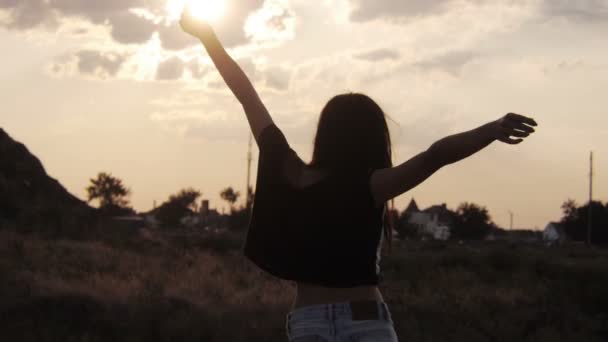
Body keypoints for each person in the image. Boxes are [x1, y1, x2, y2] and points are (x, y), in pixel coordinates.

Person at [180, 10, 538, 342]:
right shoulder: (371, 185)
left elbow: (246, 96)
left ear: (325, 133)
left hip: (308, 321)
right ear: (371, 139)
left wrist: (207, 36)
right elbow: (436, 155)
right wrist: (492, 129)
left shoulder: (290, 171)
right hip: (365, 319)